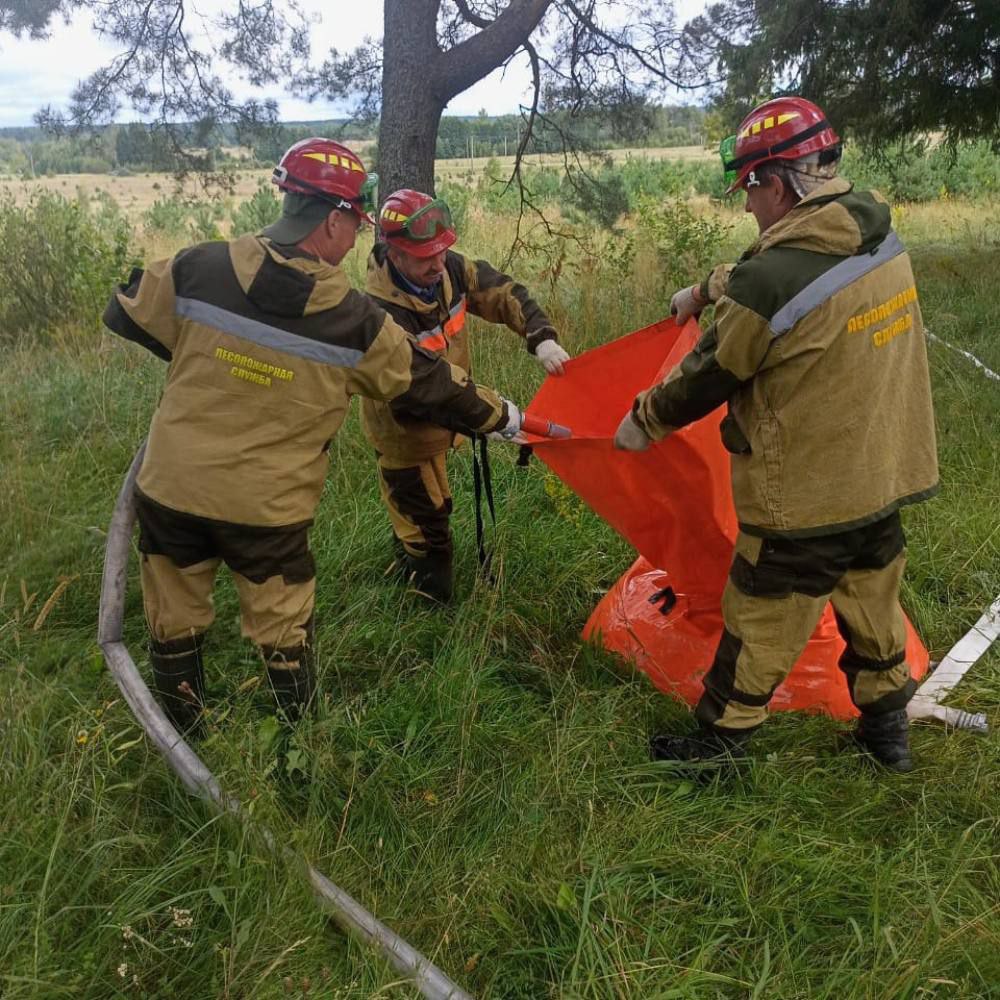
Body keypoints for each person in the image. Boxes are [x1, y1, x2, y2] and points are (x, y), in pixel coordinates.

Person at [102, 139, 522, 735]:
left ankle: (184, 732)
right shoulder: (354, 321)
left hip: (170, 488)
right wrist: (504, 418)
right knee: (282, 627)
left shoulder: (199, 266)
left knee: (174, 617)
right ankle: (297, 748)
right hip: (264, 510)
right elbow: (430, 384)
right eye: (354, 224)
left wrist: (213, 360)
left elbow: (124, 310)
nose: (355, 241)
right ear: (331, 221)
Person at [614, 97, 939, 772]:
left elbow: (712, 370)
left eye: (750, 187)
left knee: (760, 619)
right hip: (881, 470)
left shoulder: (772, 280)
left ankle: (718, 749)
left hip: (807, 493)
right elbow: (790, 272)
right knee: (873, 604)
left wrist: (643, 421)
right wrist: (708, 288)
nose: (746, 203)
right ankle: (888, 738)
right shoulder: (874, 231)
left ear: (781, 185)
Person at [362, 188, 571, 602]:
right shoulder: (381, 315)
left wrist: (540, 336)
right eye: (426, 257)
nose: (439, 264)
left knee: (433, 505)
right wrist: (494, 415)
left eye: (442, 251)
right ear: (395, 254)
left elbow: (502, 292)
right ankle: (429, 611)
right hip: (405, 434)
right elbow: (427, 389)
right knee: (428, 531)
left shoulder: (449, 269)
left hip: (448, 421)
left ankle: (409, 560)